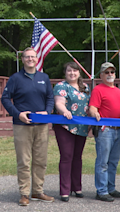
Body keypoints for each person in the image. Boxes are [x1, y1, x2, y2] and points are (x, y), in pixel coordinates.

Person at [1, 47, 55, 206]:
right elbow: (5, 99)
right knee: (24, 161)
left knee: (41, 159)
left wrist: (47, 111)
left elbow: (50, 98)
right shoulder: (15, 78)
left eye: (33, 56)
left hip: (42, 125)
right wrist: (18, 114)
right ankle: (24, 194)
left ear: (37, 59)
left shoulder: (44, 77)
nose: (30, 59)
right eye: (27, 57)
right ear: (22, 59)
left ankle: (37, 191)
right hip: (22, 125)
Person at [53, 62, 90, 202]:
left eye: (75, 71)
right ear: (65, 72)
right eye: (69, 71)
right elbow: (59, 103)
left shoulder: (85, 87)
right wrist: (65, 111)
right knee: (66, 156)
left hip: (82, 127)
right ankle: (64, 190)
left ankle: (77, 187)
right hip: (65, 126)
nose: (72, 73)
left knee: (77, 157)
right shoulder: (61, 86)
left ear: (79, 73)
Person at [89, 62, 120, 202]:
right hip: (105, 130)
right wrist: (94, 113)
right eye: (107, 72)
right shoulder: (98, 89)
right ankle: (101, 190)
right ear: (101, 75)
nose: (110, 74)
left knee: (113, 161)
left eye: (112, 72)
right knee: (103, 162)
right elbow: (93, 107)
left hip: (117, 130)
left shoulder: (118, 91)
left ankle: (111, 187)